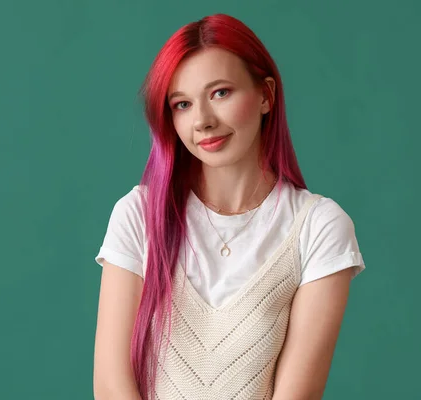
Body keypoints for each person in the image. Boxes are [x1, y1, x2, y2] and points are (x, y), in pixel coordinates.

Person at [93, 13, 365, 400]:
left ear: (266, 96)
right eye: (182, 104)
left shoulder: (319, 227)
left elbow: (297, 394)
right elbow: (110, 386)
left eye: (220, 92)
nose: (202, 120)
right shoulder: (139, 214)